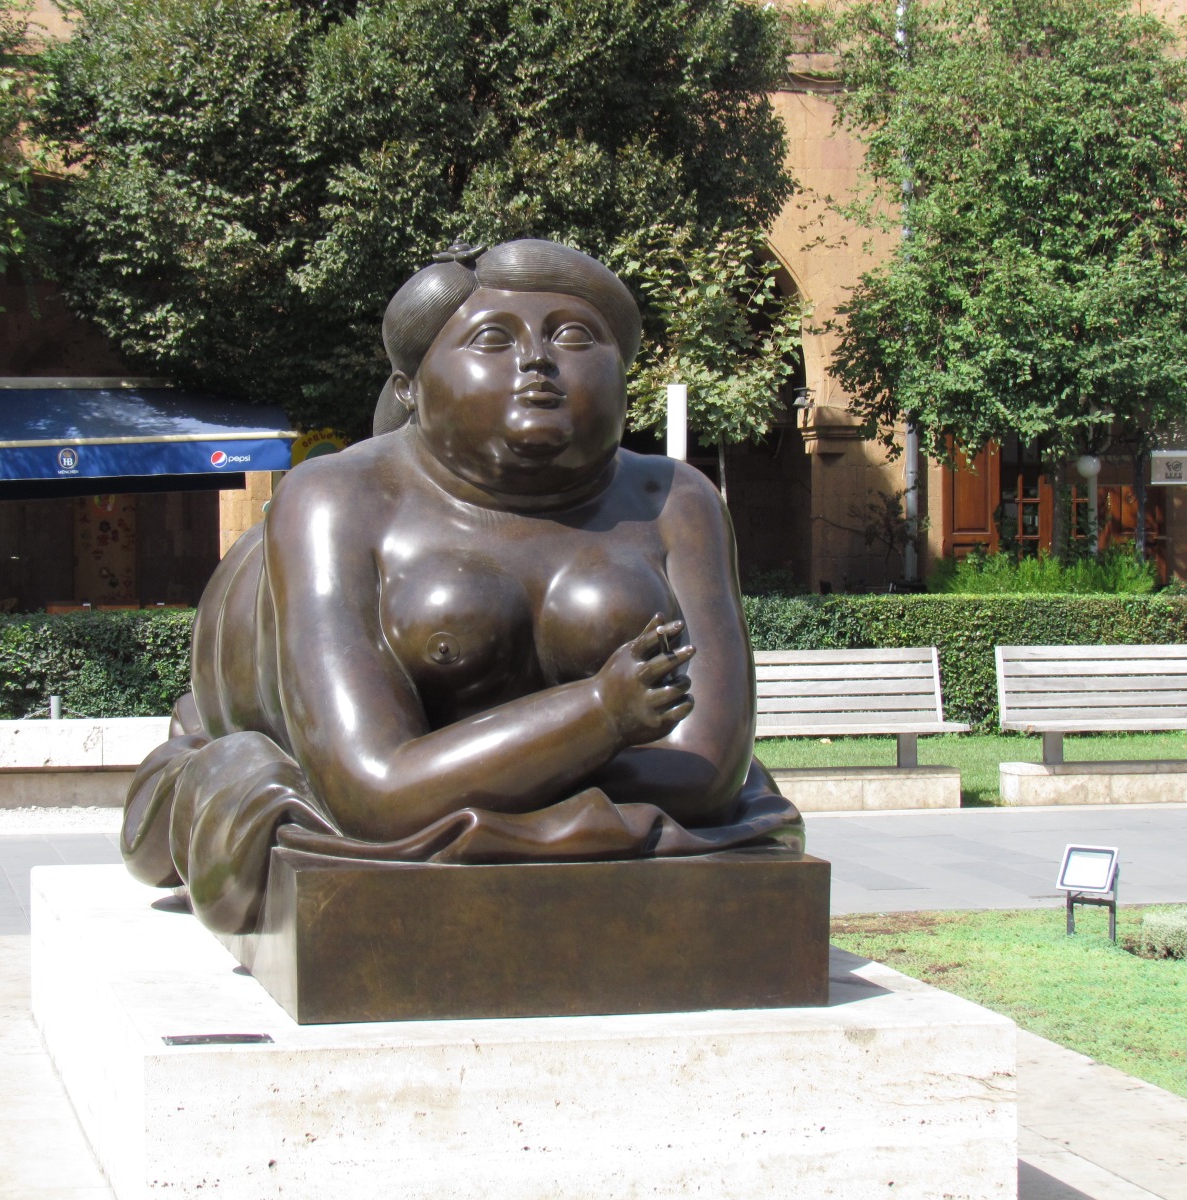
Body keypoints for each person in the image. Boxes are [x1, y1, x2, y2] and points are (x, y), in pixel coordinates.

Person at [122, 239, 802, 934]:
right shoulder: (335, 499)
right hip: (311, 734)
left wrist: (463, 776)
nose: (538, 359)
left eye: (573, 335)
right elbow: (372, 790)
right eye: (491, 339)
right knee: (237, 794)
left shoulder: (678, 501)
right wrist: (601, 715)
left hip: (438, 796)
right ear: (409, 387)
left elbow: (710, 775)